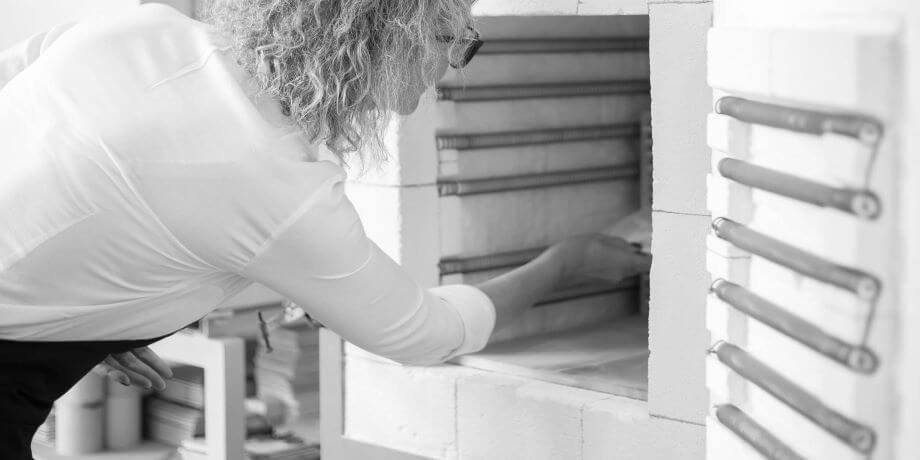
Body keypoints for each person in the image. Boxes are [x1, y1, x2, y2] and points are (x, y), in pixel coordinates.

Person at [0, 2, 651, 458]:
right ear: (386, 37)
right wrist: (564, 265)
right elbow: (422, 333)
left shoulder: (142, 32)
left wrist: (72, 290)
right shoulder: (273, 181)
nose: (454, 62)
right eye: (452, 35)